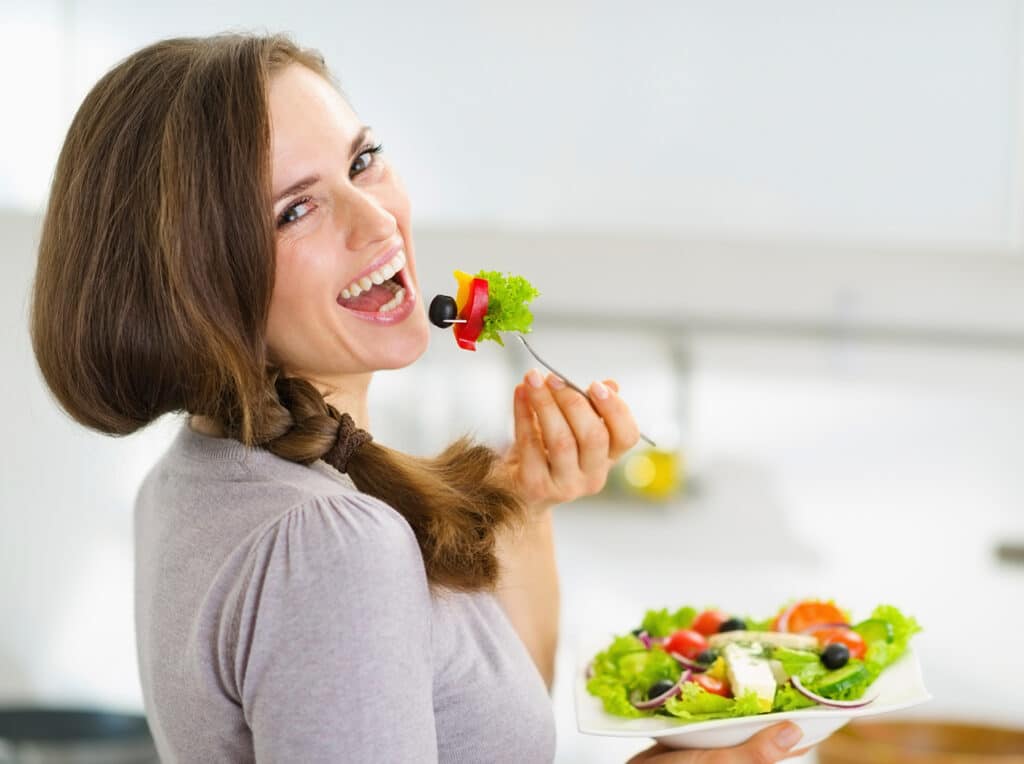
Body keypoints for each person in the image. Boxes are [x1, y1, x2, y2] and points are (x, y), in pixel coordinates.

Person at [29, 32, 808, 763]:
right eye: (295, 210)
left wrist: (525, 509)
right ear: (195, 284)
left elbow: (489, 732)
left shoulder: (197, 477)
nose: (378, 221)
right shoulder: (333, 542)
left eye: (363, 160)